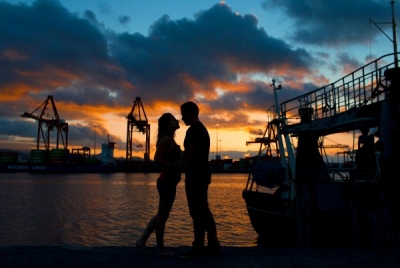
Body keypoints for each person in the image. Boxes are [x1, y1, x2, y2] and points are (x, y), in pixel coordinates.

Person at [135, 113, 182, 256]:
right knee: (163, 216)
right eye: (174, 120)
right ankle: (160, 249)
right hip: (166, 181)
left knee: (161, 214)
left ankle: (141, 241)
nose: (177, 121)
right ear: (168, 124)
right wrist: (174, 164)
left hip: (170, 182)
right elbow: (156, 159)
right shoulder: (165, 140)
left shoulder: (170, 140)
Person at [178, 101, 220, 259]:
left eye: (183, 114)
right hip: (203, 173)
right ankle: (213, 244)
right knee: (204, 209)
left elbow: (189, 155)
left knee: (197, 211)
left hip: (195, 175)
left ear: (190, 113)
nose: (182, 118)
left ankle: (198, 247)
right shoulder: (202, 130)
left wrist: (176, 162)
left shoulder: (193, 131)